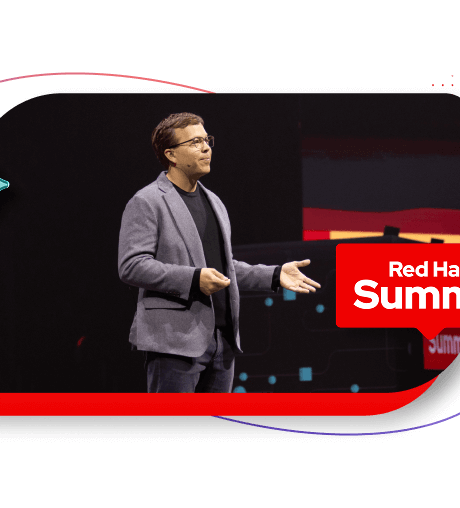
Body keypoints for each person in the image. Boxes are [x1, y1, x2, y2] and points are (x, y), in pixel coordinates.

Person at [118, 112, 320, 393]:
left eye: (207, 140)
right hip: (175, 341)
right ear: (171, 154)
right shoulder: (147, 201)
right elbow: (132, 265)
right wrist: (194, 279)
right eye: (195, 142)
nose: (206, 148)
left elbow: (224, 268)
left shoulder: (214, 201)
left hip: (222, 342)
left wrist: (274, 275)